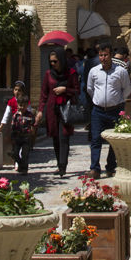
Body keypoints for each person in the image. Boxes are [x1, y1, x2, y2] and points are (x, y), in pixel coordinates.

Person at [87, 41, 131, 178]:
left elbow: (127, 90)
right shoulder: (94, 71)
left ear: (111, 55)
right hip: (98, 111)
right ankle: (95, 168)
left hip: (115, 110)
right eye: (101, 55)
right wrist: (100, 99)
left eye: (106, 55)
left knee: (114, 140)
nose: (103, 58)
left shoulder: (121, 72)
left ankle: (111, 166)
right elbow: (90, 89)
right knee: (95, 139)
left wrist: (116, 100)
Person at [36, 48, 80, 176]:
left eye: (55, 61)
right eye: (51, 62)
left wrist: (65, 89)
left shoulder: (71, 73)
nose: (53, 64)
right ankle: (59, 164)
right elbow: (44, 93)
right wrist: (40, 110)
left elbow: (77, 91)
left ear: (61, 60)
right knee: (55, 137)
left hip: (66, 109)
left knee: (64, 137)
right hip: (52, 109)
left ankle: (62, 166)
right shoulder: (49, 74)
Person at [0, 81, 36, 174]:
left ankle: (23, 169)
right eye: (15, 90)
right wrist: (3, 127)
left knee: (24, 153)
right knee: (15, 153)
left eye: (19, 90)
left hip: (26, 136)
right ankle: (19, 164)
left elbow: (32, 121)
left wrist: (32, 131)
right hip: (17, 136)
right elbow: (7, 116)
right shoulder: (13, 109)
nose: (17, 92)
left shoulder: (26, 104)